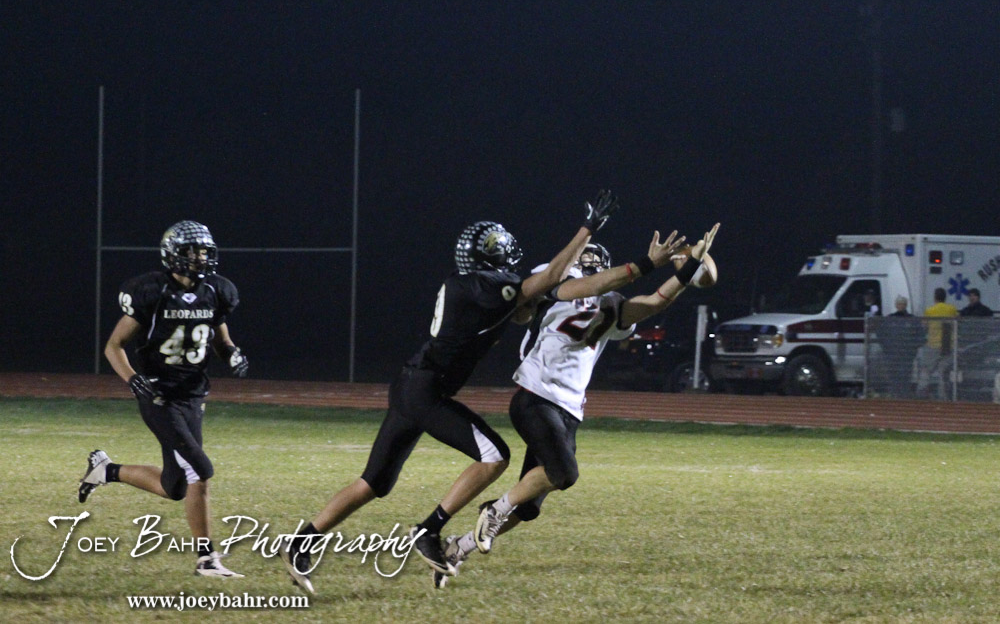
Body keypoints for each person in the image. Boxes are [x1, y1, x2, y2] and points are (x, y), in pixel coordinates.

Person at [278, 192, 689, 595]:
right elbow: (549, 281)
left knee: (374, 483)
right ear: (492, 256)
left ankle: (301, 542)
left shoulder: (478, 285)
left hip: (414, 384)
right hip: (426, 390)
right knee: (494, 456)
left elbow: (530, 307)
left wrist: (679, 273)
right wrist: (594, 231)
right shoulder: (489, 285)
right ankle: (429, 530)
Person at [431, 224, 720, 588]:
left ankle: (458, 548)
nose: (591, 263)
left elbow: (655, 302)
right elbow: (581, 288)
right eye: (586, 258)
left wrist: (689, 270)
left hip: (568, 410)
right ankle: (494, 510)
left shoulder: (611, 304)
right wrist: (647, 263)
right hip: (536, 395)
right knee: (564, 473)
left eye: (597, 260)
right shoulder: (555, 280)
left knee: (528, 507)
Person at [79, 221, 250, 577]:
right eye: (192, 251)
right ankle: (207, 558)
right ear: (173, 254)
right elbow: (114, 345)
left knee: (175, 487)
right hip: (159, 396)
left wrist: (232, 354)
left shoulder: (216, 291)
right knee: (199, 470)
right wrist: (133, 379)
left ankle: (105, 470)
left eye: (204, 251)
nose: (200, 257)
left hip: (193, 395)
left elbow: (221, 340)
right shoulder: (153, 292)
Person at [916, 287, 959, 398]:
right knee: (942, 372)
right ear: (945, 297)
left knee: (926, 370)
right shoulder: (951, 309)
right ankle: (943, 396)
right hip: (947, 344)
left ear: (935, 297)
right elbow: (958, 322)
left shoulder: (930, 310)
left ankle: (921, 393)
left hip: (933, 344)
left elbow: (924, 325)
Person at [877, 296, 923, 398]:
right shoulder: (889, 319)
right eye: (899, 304)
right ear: (896, 305)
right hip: (892, 355)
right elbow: (880, 334)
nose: (901, 306)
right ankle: (894, 395)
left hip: (907, 356)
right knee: (893, 376)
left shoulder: (913, 320)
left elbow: (921, 336)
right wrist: (887, 348)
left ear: (906, 305)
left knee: (905, 377)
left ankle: (904, 396)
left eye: (903, 303)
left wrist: (912, 349)